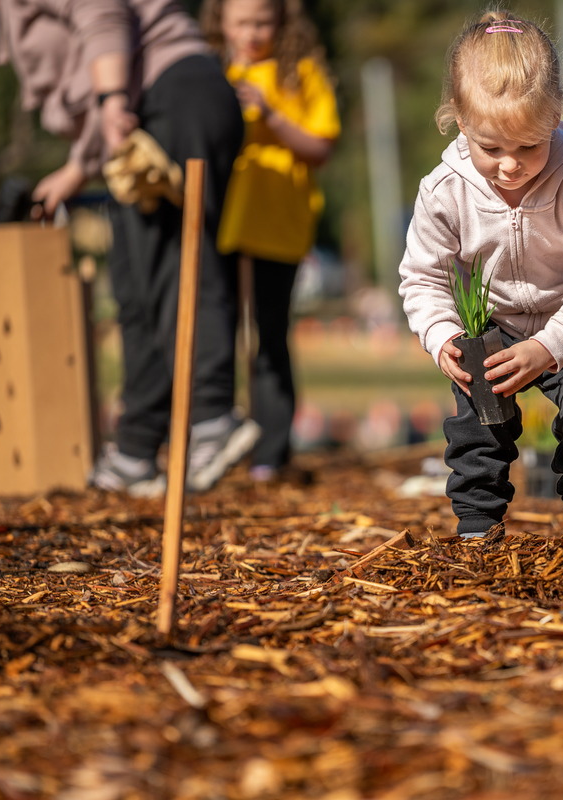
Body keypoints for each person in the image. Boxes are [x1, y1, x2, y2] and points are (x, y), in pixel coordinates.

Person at [0, 0, 260, 496]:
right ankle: (137, 448)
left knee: (176, 266)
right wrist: (79, 167)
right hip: (137, 120)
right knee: (134, 287)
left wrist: (112, 100)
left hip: (174, 98)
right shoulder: (7, 14)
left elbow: (103, 12)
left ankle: (212, 417)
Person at [398, 10, 563, 541]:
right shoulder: (443, 190)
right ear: (456, 118)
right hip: (490, 323)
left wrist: (550, 347)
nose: (509, 165)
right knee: (478, 418)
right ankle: (478, 524)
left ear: (556, 117)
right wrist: (442, 336)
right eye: (490, 148)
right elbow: (422, 279)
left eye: (529, 146)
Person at [199, 0, 340, 483]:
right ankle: (218, 438)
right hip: (222, 217)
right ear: (222, 24)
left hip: (278, 219)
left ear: (281, 22)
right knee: (217, 331)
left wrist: (269, 116)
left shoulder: (300, 74)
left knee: (269, 336)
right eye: (241, 22)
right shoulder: (215, 71)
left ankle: (270, 453)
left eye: (262, 22)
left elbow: (321, 146)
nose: (252, 32)